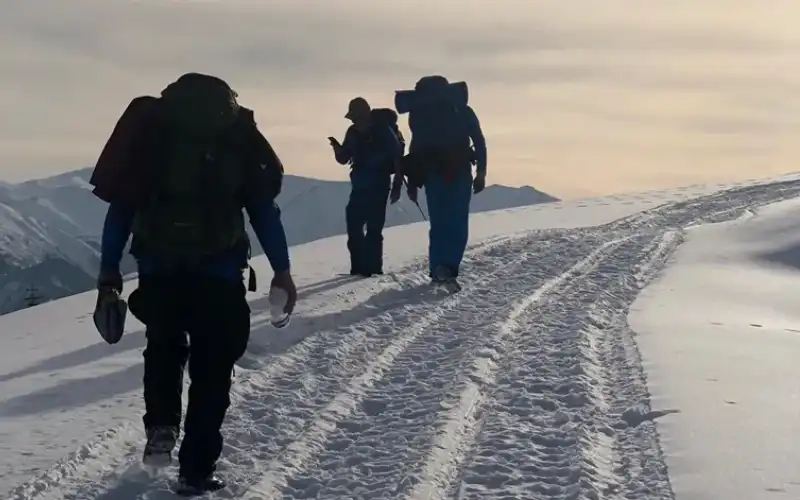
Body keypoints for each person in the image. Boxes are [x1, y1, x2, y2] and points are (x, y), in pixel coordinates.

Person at [90, 73, 297, 495]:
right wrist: (282, 268)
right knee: (213, 368)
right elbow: (263, 210)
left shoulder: (153, 133)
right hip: (219, 272)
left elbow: (122, 210)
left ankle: (162, 425)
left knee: (164, 346)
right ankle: (195, 470)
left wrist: (109, 271)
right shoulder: (237, 133)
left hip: (159, 267)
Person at [391, 75, 487, 287]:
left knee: (439, 222)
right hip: (460, 171)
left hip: (432, 174)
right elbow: (479, 141)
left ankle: (437, 269)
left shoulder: (419, 113)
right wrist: (481, 172)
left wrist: (413, 183)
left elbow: (417, 149)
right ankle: (449, 268)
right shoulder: (462, 110)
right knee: (457, 222)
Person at [328, 96, 405, 276]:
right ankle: (359, 269)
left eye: (355, 117)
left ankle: (373, 271)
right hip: (361, 186)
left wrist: (397, 185)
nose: (354, 121)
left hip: (379, 184)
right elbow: (344, 158)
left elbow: (397, 157)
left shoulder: (383, 131)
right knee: (354, 227)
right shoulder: (353, 132)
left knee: (373, 229)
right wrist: (337, 148)